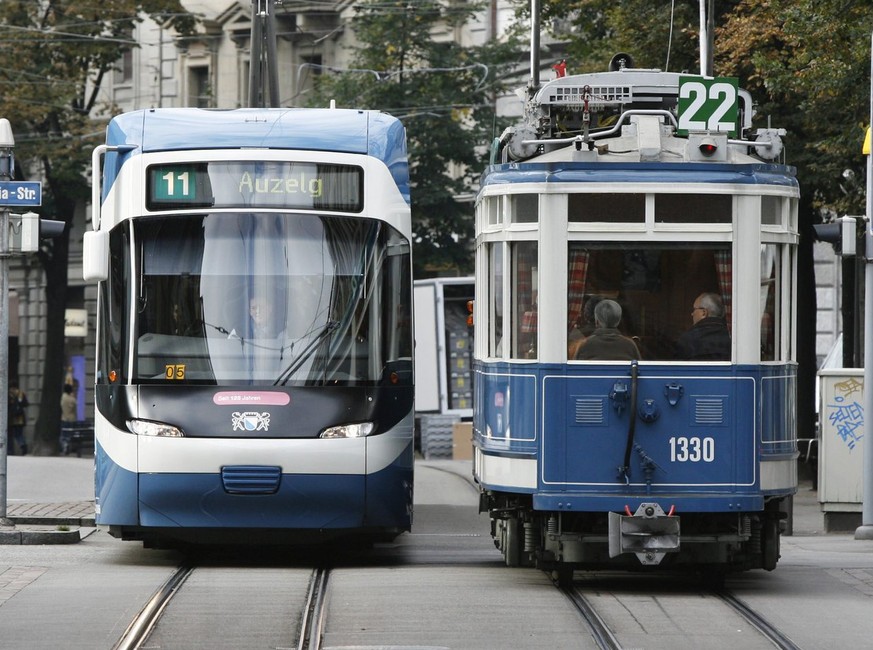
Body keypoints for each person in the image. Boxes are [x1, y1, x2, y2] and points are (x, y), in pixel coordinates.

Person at [574, 299, 641, 361]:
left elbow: (575, 370)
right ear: (618, 321)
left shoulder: (585, 345)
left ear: (597, 321)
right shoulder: (630, 345)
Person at [675, 292, 731, 361]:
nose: (692, 314)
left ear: (704, 313)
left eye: (694, 309)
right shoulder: (730, 336)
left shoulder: (687, 339)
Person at [8, 382, 29, 455]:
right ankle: (23, 446)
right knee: (19, 434)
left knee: (10, 435)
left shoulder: (9, 395)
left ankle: (10, 450)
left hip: (11, 418)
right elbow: (26, 404)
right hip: (20, 418)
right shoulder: (21, 393)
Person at [60, 383, 78, 455]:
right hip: (71, 418)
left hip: (64, 418)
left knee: (64, 434)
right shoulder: (72, 399)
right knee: (70, 434)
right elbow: (75, 409)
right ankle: (68, 446)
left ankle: (64, 445)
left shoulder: (63, 397)